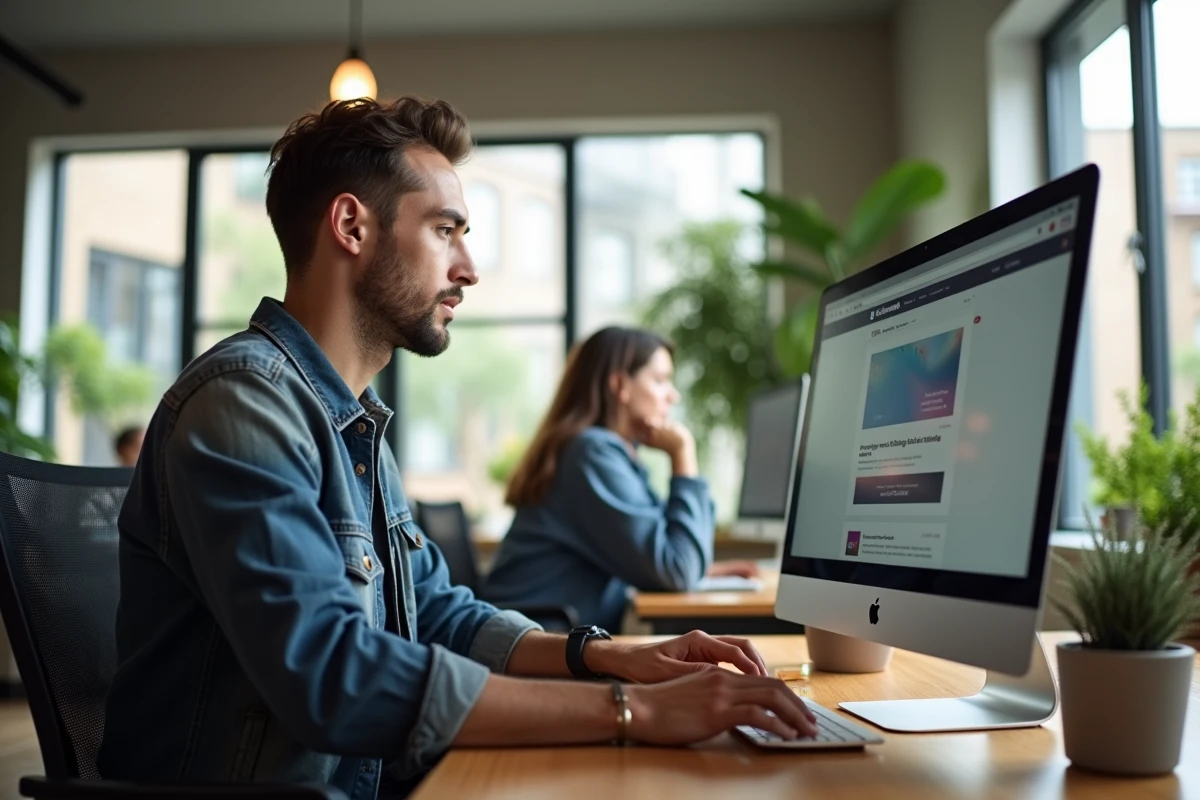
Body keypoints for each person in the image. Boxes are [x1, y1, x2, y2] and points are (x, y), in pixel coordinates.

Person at [97, 97, 815, 799]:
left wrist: (613, 656)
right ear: (352, 225)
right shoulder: (242, 403)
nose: (468, 268)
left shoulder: (355, 424)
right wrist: (633, 711)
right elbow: (331, 675)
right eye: (447, 231)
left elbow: (435, 611)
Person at [484, 327, 757, 631]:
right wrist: (683, 454)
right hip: (532, 643)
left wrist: (705, 571)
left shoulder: (599, 452)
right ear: (619, 385)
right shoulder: (592, 453)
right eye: (659, 380)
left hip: (540, 635)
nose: (672, 394)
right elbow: (678, 571)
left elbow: (670, 557)